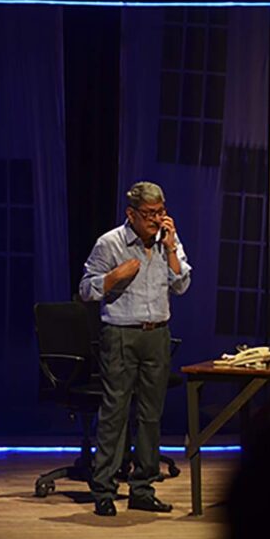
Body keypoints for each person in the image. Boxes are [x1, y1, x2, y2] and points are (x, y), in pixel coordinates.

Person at [78, 181, 192, 516]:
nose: (157, 220)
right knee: (115, 413)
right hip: (122, 334)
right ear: (132, 214)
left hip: (157, 334)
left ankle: (142, 488)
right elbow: (86, 289)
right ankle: (104, 489)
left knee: (150, 415)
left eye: (161, 212)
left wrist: (171, 248)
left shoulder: (167, 241)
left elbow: (182, 285)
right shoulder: (110, 243)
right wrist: (113, 277)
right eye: (150, 214)